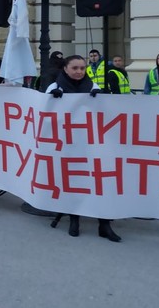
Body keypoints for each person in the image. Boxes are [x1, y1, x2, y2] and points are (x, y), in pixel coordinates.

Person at [46, 54, 121, 242]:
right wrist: (51, 101)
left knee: (99, 183)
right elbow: (44, 115)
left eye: (82, 68)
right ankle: (74, 219)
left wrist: (102, 99)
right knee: (75, 182)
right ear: (66, 69)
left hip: (93, 145)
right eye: (75, 68)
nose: (79, 72)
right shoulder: (55, 88)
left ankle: (104, 224)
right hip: (69, 145)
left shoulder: (94, 87)